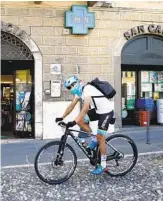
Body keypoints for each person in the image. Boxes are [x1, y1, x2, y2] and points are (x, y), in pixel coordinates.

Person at [55, 75, 114, 175]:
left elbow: (86, 107)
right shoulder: (79, 92)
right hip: (97, 110)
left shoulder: (87, 89)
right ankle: (94, 139)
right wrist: (62, 117)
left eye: (70, 87)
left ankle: (103, 165)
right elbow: (72, 105)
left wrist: (74, 121)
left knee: (100, 137)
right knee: (80, 121)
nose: (69, 90)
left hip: (105, 111)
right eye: (68, 88)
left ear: (75, 84)